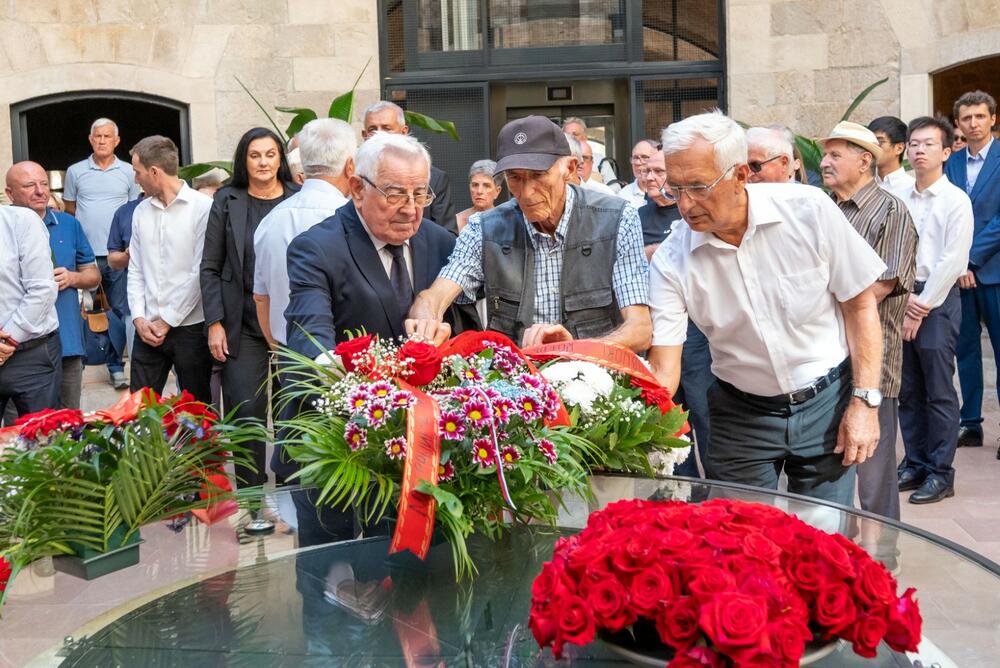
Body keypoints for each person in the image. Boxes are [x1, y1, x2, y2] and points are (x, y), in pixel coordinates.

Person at [647, 111, 887, 505]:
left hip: (825, 402)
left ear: (740, 175)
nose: (685, 205)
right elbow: (665, 369)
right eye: (675, 189)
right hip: (740, 412)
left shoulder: (808, 212)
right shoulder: (673, 259)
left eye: (698, 187)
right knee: (739, 543)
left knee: (823, 542)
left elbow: (860, 307)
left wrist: (864, 402)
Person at [278, 133, 461, 487]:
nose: (410, 208)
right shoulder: (316, 249)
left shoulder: (440, 242)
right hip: (340, 451)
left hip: (423, 451)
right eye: (394, 194)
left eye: (420, 194)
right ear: (358, 189)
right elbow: (311, 340)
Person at [406, 115, 651, 352]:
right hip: (514, 383)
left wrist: (573, 349)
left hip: (598, 381)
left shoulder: (617, 219)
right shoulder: (484, 228)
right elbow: (434, 296)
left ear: (570, 167)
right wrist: (426, 320)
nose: (527, 192)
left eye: (538, 175)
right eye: (515, 178)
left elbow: (639, 328)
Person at [819, 121, 918, 520]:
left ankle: (884, 560)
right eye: (824, 154)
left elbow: (883, 285)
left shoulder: (891, 211)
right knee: (833, 463)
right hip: (826, 357)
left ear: (864, 162)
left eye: (834, 155)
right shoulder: (825, 207)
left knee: (874, 472)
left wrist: (818, 308)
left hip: (875, 360)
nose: (824, 162)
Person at [200, 127, 297, 489]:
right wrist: (215, 323)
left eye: (270, 154)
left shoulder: (297, 199)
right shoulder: (227, 200)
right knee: (246, 417)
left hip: (291, 325)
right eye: (255, 155)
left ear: (280, 159)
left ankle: (293, 503)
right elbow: (210, 266)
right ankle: (252, 505)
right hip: (241, 325)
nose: (263, 162)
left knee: (293, 416)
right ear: (244, 160)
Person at [891, 116, 974, 503]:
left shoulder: (956, 200)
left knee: (939, 390)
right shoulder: (900, 197)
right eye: (914, 144)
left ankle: (941, 473)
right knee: (907, 388)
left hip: (936, 302)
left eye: (928, 144)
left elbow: (953, 260)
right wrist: (903, 297)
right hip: (902, 295)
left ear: (945, 152)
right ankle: (916, 461)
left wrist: (920, 306)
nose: (919, 150)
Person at [639, 151, 714, 478]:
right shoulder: (636, 217)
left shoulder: (694, 217)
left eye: (658, 170)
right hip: (654, 329)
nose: (651, 177)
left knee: (704, 413)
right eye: (645, 171)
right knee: (671, 417)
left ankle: (719, 488)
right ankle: (684, 495)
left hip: (694, 334)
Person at [5, 161, 101, 410]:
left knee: (66, 425)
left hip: (66, 340)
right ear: (9, 194)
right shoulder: (7, 228)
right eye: (29, 185)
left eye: (44, 184)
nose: (40, 191)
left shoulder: (69, 224)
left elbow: (94, 276)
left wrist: (72, 278)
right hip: (15, 350)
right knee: (19, 434)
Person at [253, 118, 355, 348]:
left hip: (291, 356)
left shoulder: (270, 221)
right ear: (350, 167)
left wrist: (278, 350)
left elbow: (261, 298)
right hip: (348, 357)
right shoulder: (353, 219)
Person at [127, 136, 214, 402]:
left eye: (137, 172)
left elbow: (201, 271)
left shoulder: (203, 208)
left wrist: (168, 320)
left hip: (190, 328)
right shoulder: (140, 212)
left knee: (197, 414)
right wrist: (139, 319)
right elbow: (135, 269)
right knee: (138, 413)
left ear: (154, 172)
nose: (135, 179)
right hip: (147, 328)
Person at [63, 118, 141, 389]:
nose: (102, 141)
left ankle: (117, 366)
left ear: (117, 141)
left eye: (107, 136)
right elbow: (70, 210)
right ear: (90, 139)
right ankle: (100, 362)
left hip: (118, 255)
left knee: (121, 310)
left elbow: (135, 213)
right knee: (95, 313)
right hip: (88, 259)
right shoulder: (74, 171)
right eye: (97, 136)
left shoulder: (130, 172)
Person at [945, 91, 1000, 455]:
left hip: (994, 272)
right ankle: (971, 424)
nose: (973, 124)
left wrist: (971, 260)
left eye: (980, 116)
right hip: (958, 276)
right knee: (965, 352)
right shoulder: (950, 163)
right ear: (959, 123)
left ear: (993, 119)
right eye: (966, 118)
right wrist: (957, 264)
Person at [0, 205, 60, 418]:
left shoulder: (21, 220)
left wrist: (7, 341)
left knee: (42, 444)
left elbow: (42, 289)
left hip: (30, 356)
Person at [361, 101, 456, 233]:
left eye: (387, 128)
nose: (379, 135)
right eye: (373, 130)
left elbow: (447, 236)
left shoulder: (435, 179)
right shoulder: (354, 176)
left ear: (403, 131)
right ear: (364, 135)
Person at [868, 116, 915, 193]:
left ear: (899, 148)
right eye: (871, 142)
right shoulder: (864, 188)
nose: (873, 147)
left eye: (880, 142)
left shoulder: (912, 188)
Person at [455, 160, 501, 232]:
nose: (479, 191)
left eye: (486, 186)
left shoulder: (507, 222)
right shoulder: (457, 221)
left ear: (497, 191)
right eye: (475, 185)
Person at [620, 140, 658, 207]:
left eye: (644, 157)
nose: (638, 163)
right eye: (635, 158)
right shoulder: (623, 196)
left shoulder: (668, 193)